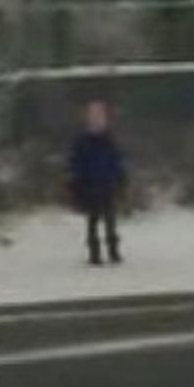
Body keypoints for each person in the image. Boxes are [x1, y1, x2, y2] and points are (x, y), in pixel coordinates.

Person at [67, 101, 126, 266]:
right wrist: (77, 183)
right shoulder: (82, 141)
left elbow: (116, 161)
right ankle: (95, 253)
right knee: (93, 220)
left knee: (110, 219)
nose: (97, 121)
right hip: (89, 185)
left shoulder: (109, 140)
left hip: (107, 184)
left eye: (100, 117)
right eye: (93, 117)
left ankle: (113, 251)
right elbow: (75, 164)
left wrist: (120, 179)